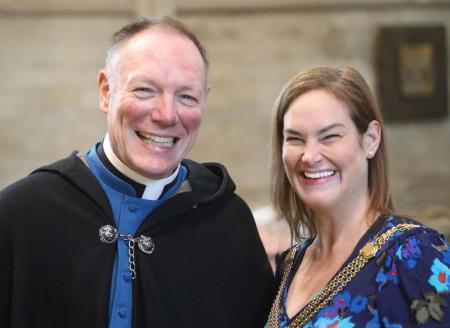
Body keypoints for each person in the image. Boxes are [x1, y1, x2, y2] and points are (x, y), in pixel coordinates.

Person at [0, 16, 274, 328]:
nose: (166, 115)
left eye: (186, 96)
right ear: (106, 91)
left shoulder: (228, 224)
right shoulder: (21, 213)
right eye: (145, 90)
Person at [265, 66, 450, 327]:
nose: (309, 156)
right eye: (295, 139)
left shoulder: (413, 254)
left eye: (330, 136)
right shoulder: (291, 264)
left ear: (371, 139)